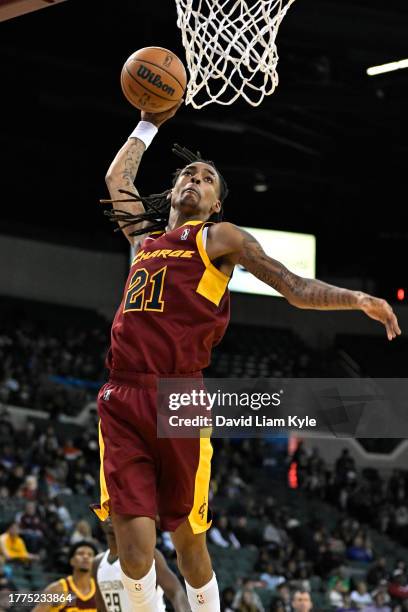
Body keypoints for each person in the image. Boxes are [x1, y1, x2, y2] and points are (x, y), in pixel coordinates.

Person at [94, 103, 401, 612]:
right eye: (188, 174)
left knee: (189, 543)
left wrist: (357, 299)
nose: (195, 179)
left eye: (207, 178)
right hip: (121, 392)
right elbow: (117, 175)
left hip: (180, 398)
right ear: (172, 192)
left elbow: (294, 286)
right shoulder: (144, 239)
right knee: (132, 552)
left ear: (215, 204)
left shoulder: (219, 238)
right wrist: (149, 121)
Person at [93, 518, 190, 612]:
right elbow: (101, 608)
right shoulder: (97, 563)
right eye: (106, 514)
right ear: (100, 523)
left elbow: (176, 592)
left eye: (113, 513)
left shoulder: (146, 554)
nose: (109, 518)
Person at [32, 541, 97, 612]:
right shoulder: (56, 589)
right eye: (80, 554)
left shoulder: (100, 589)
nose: (85, 557)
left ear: (95, 562)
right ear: (72, 561)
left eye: (90, 555)